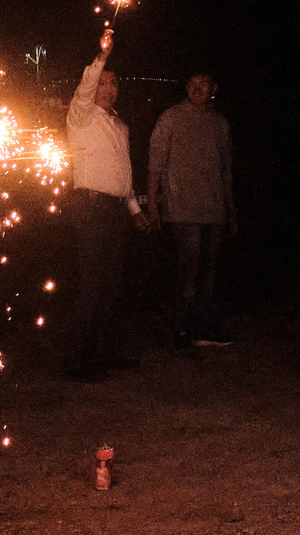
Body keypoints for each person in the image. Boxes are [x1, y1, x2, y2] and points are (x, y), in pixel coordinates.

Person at [64, 25, 145, 380]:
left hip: (113, 209)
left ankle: (104, 351)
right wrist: (102, 57)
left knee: (111, 283)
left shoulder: (120, 125)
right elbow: (83, 90)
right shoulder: (81, 116)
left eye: (113, 84)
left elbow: (122, 174)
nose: (108, 89)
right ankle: (77, 361)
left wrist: (135, 210)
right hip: (90, 206)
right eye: (103, 83)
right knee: (92, 283)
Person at [147, 69, 236, 352]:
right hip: (183, 208)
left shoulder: (219, 123)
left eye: (204, 83)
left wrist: (231, 211)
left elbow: (226, 171)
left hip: (214, 209)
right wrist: (153, 205)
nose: (198, 88)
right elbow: (155, 164)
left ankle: (204, 327)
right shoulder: (171, 118)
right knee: (190, 270)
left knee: (209, 271)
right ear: (186, 87)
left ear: (214, 87)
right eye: (193, 84)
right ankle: (182, 329)